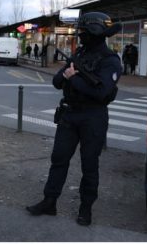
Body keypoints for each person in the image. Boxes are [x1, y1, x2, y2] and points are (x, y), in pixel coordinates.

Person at [26, 12, 122, 226]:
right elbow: (58, 81)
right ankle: (49, 202)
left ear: (96, 33)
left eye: (84, 32)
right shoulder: (80, 54)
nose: (80, 36)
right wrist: (70, 75)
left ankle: (85, 209)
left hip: (93, 117)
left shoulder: (110, 60)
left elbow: (101, 93)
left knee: (89, 165)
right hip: (70, 115)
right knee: (58, 159)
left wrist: (74, 78)